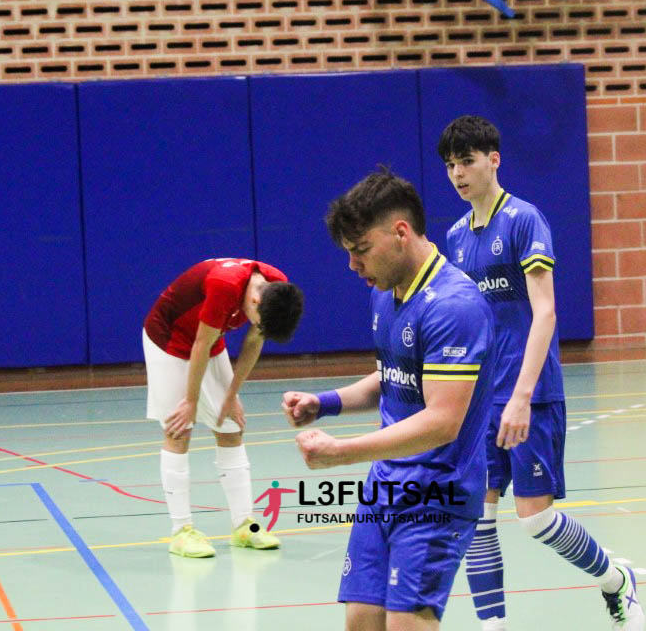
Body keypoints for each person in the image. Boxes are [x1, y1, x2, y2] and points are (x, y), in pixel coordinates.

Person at [438, 115, 644, 630]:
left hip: (529, 394)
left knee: (534, 519)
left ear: (493, 160)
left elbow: (546, 312)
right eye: (450, 165)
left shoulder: (525, 220)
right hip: (480, 401)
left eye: (466, 161)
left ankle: (616, 579)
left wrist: (522, 396)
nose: (458, 173)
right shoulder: (455, 237)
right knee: (476, 518)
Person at [281, 170, 494, 631]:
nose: (354, 267)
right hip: (385, 486)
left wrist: (341, 452)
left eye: (361, 251)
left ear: (400, 233)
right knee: (361, 622)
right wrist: (325, 402)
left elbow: (442, 421)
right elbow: (393, 377)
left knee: (405, 626)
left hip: (439, 490)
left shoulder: (454, 306)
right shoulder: (385, 293)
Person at [143, 257, 304, 557]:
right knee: (179, 430)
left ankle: (244, 526)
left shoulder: (275, 287)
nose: (256, 327)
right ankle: (181, 532)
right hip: (168, 339)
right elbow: (199, 344)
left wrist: (231, 394)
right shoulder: (224, 284)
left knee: (231, 427)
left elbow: (254, 340)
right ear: (254, 300)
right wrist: (190, 401)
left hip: (209, 337)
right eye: (257, 321)